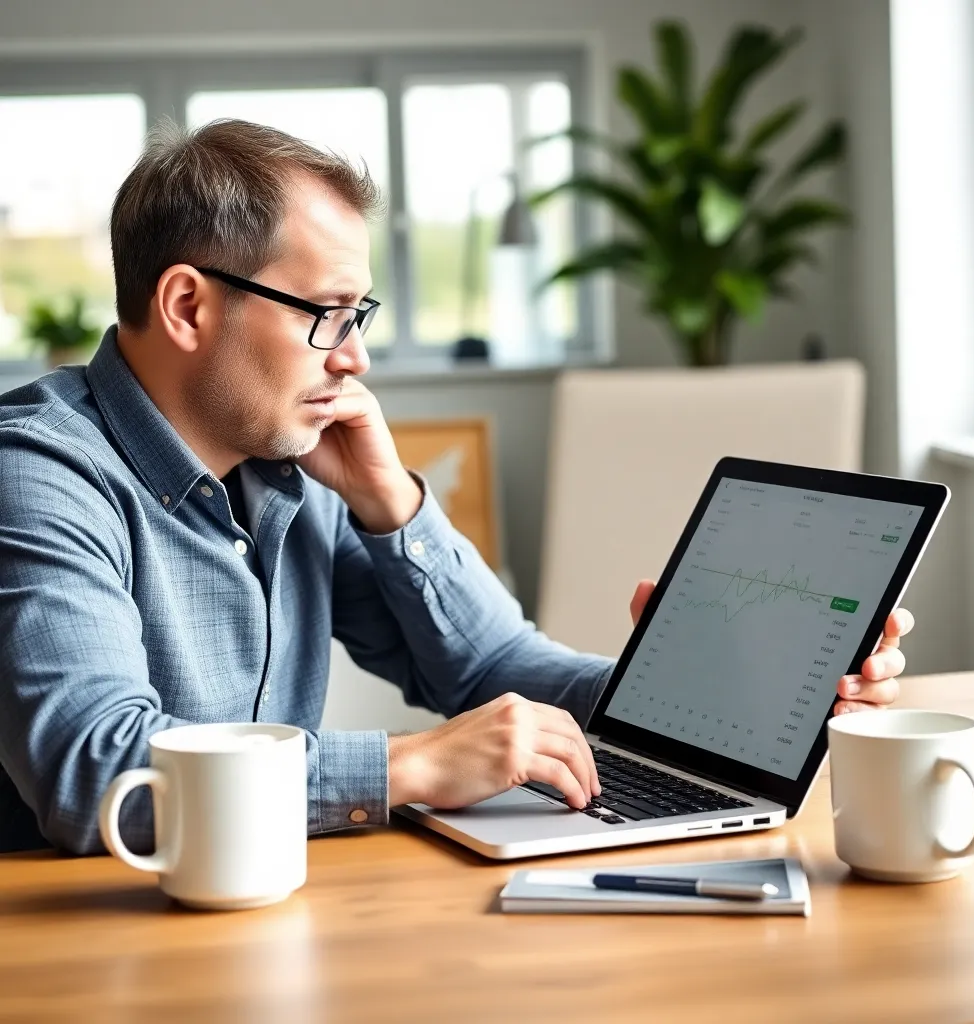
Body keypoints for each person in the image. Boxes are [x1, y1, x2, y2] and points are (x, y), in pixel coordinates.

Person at [0, 120, 913, 854]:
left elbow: (488, 672)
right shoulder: (38, 474)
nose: (354, 357)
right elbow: (97, 772)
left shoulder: (293, 465)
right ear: (189, 306)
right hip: (85, 943)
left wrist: (726, 694)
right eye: (326, 314)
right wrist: (407, 768)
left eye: (358, 316)